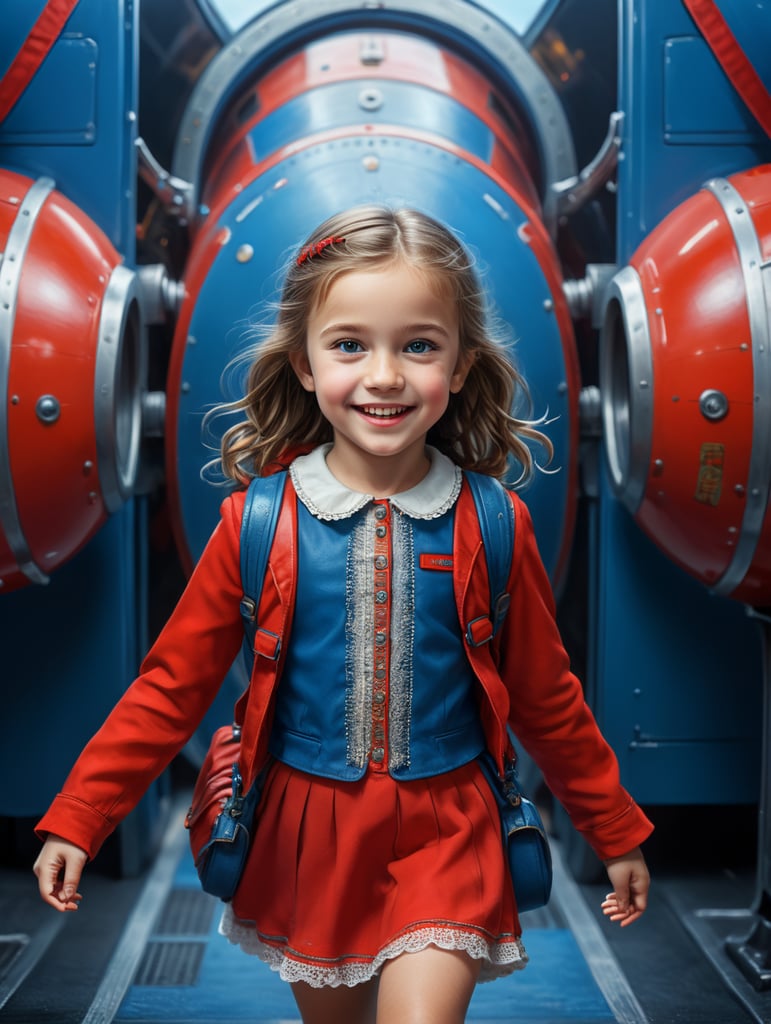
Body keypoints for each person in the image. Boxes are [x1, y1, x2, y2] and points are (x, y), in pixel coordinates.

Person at [34, 205, 652, 1024]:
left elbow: (545, 693)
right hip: (309, 837)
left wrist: (612, 828)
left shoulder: (494, 522)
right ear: (302, 361)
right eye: (350, 344)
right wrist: (80, 817)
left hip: (450, 827)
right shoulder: (257, 524)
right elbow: (169, 690)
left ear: (461, 366)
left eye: (419, 345)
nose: (385, 375)